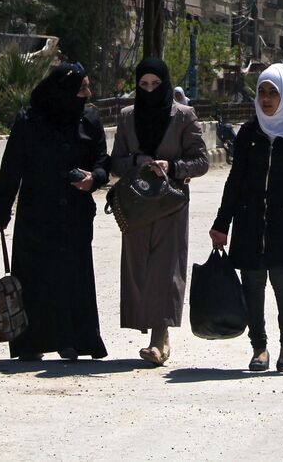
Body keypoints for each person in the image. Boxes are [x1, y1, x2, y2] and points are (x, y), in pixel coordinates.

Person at [211, 64, 283, 372]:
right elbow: (234, 181)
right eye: (262, 92)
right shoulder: (250, 132)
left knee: (281, 278)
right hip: (249, 219)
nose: (266, 99)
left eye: (273, 93)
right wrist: (221, 224)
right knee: (252, 281)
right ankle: (259, 348)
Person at [0, 63, 109, 361]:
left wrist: (93, 178)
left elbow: (103, 159)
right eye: (82, 87)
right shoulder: (29, 122)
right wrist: (1, 211)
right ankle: (30, 342)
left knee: (72, 278)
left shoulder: (89, 119)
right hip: (36, 215)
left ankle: (72, 340)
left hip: (75, 213)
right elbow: (11, 168)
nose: (88, 93)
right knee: (35, 279)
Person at [111, 57, 208, 366]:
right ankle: (145, 323)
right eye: (144, 85)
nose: (150, 90)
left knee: (166, 269)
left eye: (156, 84)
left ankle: (160, 338)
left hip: (171, 202)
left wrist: (173, 166)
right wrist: (138, 162)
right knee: (138, 266)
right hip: (137, 202)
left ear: (165, 84)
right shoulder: (127, 117)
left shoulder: (183, 117)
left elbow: (201, 160)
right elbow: (115, 162)